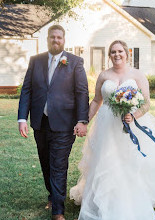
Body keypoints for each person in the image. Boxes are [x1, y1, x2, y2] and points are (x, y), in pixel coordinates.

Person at [70, 40, 155, 220]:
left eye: (120, 51)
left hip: (131, 124)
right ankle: (107, 197)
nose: (117, 54)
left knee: (131, 160)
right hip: (106, 126)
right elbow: (97, 101)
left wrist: (134, 115)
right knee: (107, 160)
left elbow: (147, 103)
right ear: (109, 55)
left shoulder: (137, 75)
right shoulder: (104, 75)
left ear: (127, 53)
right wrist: (84, 121)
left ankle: (135, 196)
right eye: (113, 52)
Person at [18, 25, 89, 220]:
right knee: (45, 162)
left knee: (58, 164)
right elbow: (27, 90)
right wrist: (22, 118)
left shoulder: (75, 62)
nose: (55, 40)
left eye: (59, 37)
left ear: (64, 40)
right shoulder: (36, 61)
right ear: (48, 39)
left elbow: (82, 92)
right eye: (52, 37)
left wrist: (82, 120)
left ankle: (58, 210)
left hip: (64, 124)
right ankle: (52, 194)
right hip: (40, 123)